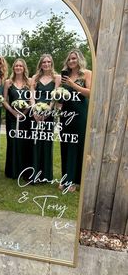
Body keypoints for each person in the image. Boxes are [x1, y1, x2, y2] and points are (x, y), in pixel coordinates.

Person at [59, 49, 92, 192]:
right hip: (65, 113)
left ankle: (75, 181)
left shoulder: (86, 73)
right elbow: (62, 94)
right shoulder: (64, 75)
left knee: (77, 145)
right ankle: (65, 178)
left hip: (79, 113)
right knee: (65, 144)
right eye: (70, 59)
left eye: (74, 59)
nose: (72, 61)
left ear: (79, 60)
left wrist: (73, 85)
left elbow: (90, 93)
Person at [30, 54, 61, 181]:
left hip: (49, 113)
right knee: (35, 142)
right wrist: (34, 110)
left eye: (48, 62)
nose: (46, 64)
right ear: (40, 64)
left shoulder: (57, 77)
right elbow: (32, 96)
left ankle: (45, 175)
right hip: (36, 113)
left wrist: (48, 110)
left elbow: (55, 96)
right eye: (44, 62)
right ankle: (34, 173)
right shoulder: (35, 78)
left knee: (46, 142)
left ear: (51, 63)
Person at [3, 59, 31, 179]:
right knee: (13, 142)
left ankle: (23, 171)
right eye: (16, 66)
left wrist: (24, 112)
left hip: (26, 116)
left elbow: (31, 100)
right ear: (13, 68)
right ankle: (12, 171)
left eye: (21, 66)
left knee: (24, 142)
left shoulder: (29, 82)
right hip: (12, 117)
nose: (18, 67)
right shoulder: (8, 82)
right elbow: (4, 100)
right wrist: (13, 112)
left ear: (24, 68)